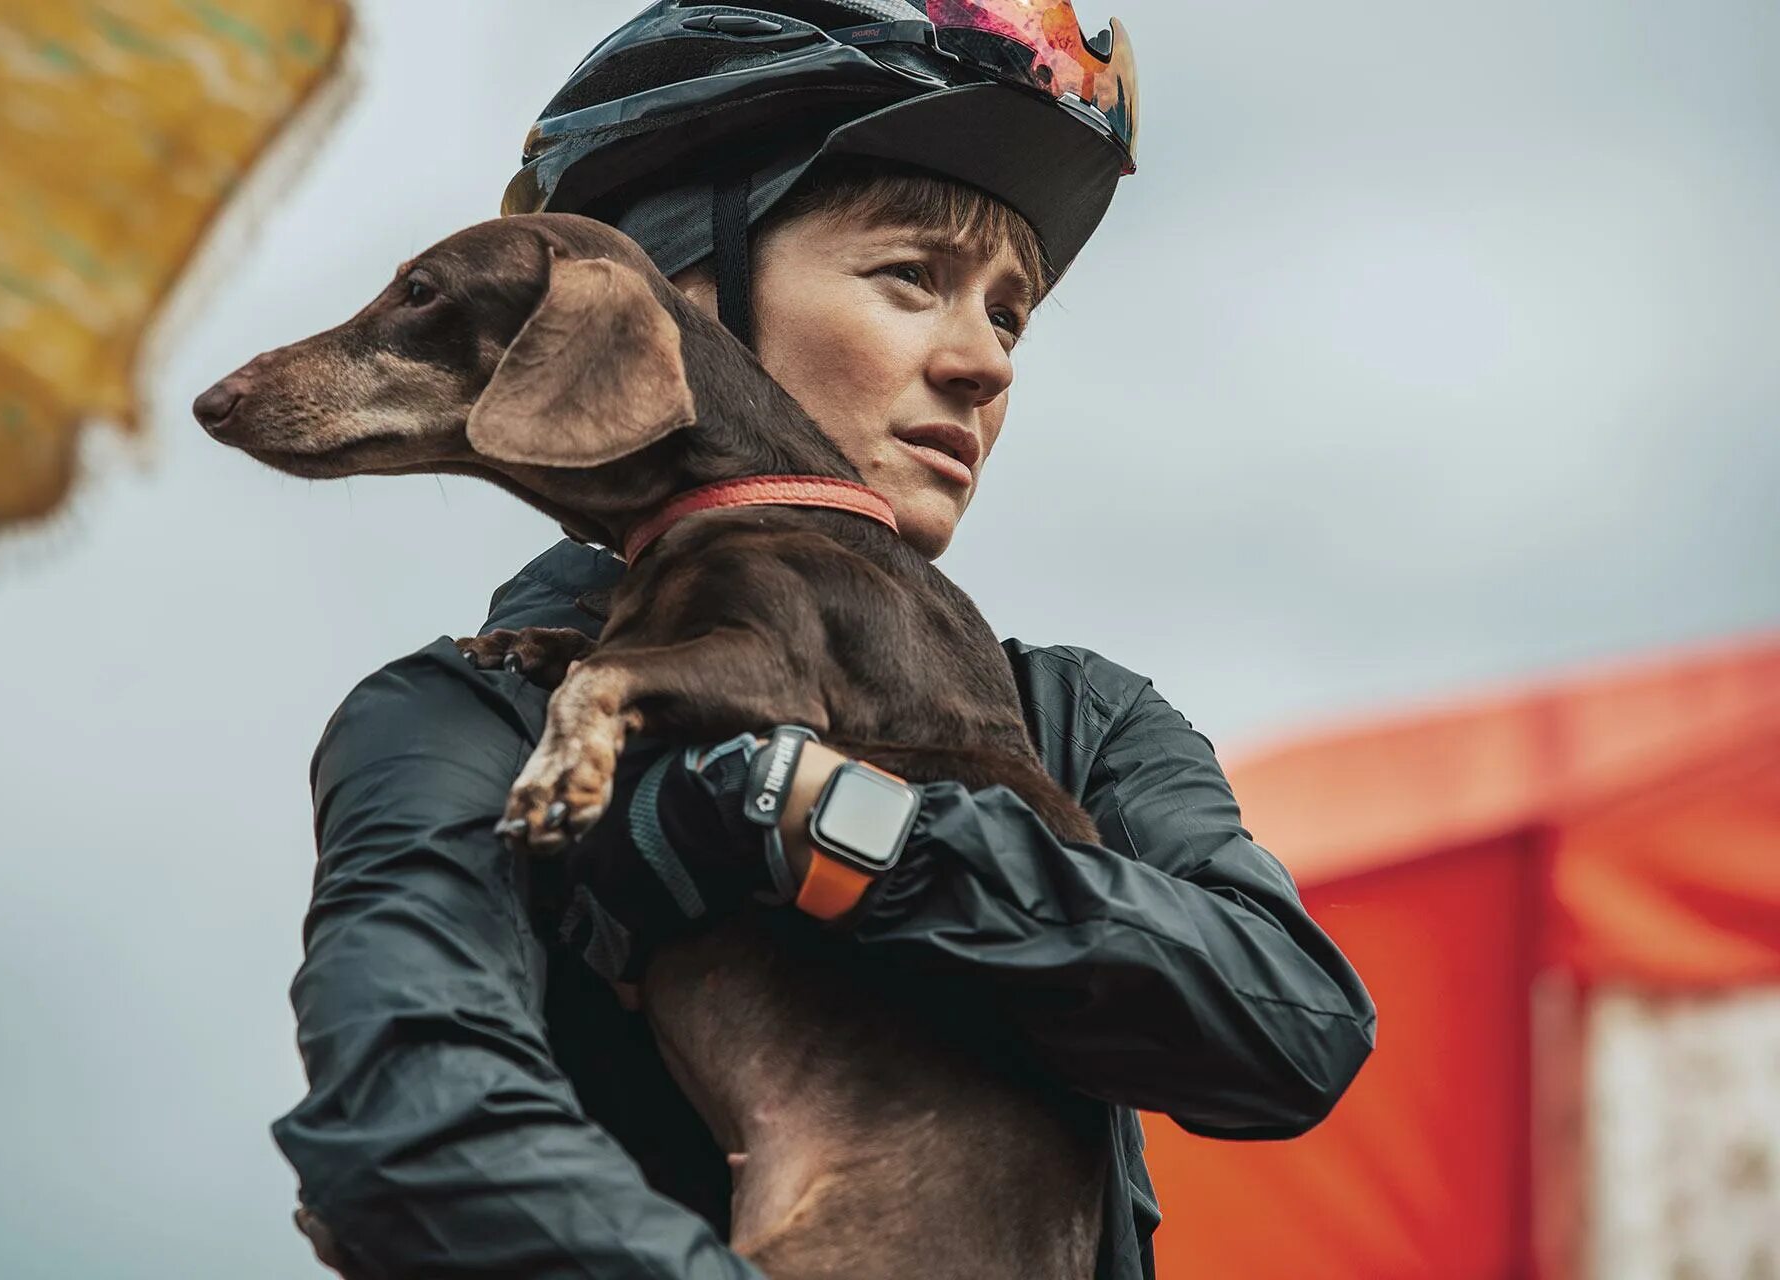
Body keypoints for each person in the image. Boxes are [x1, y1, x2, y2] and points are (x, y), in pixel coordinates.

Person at [273, 3, 1377, 1277]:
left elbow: (1289, 1026)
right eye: (912, 278)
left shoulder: (1079, 717)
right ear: (677, 301)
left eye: (1009, 316)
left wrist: (828, 823)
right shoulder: (475, 715)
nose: (983, 365)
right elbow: (409, 1121)